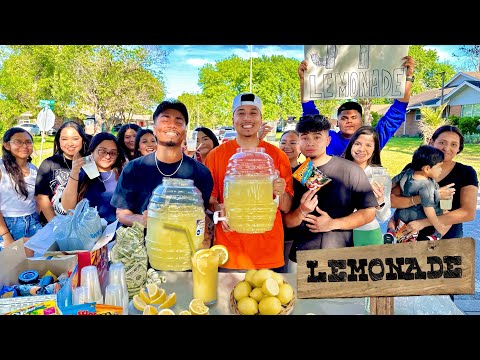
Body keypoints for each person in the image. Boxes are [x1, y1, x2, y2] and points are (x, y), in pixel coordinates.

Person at [204, 92, 293, 271]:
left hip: (269, 254)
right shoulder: (216, 155)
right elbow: (211, 201)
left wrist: (280, 190)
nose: (247, 118)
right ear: (233, 118)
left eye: (253, 113)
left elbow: (286, 207)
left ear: (261, 119)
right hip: (230, 254)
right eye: (241, 112)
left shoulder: (277, 156)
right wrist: (219, 208)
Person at [284, 114, 377, 272]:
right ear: (299, 142)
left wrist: (332, 224)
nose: (310, 142)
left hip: (339, 259)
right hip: (300, 258)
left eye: (317, 137)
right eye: (305, 137)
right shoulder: (294, 173)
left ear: (328, 140)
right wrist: (301, 211)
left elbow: (369, 212)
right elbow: (288, 222)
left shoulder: (350, 170)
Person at [110, 100, 213, 227]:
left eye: (178, 121)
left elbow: (200, 215)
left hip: (185, 243)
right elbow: (122, 213)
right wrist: (143, 220)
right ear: (154, 129)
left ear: (185, 132)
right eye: (165, 120)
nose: (172, 125)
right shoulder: (134, 169)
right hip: (144, 244)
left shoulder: (201, 172)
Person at [297, 56, 415, 155]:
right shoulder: (328, 138)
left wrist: (408, 78)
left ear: (361, 121)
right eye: (344, 118)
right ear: (337, 122)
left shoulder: (372, 139)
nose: (349, 121)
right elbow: (310, 117)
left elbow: (395, 115)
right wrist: (304, 81)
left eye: (354, 117)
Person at [391, 125, 478, 241]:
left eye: (454, 144)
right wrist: (430, 196)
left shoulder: (466, 172)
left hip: (446, 239)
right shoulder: (414, 168)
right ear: (432, 142)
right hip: (408, 235)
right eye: (442, 142)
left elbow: (468, 212)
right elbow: (392, 201)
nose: (446, 148)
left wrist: (422, 223)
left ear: (459, 148)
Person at [387, 145, 449, 242]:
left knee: (393, 220)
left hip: (401, 214)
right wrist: (438, 224)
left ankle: (391, 232)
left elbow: (392, 183)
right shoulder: (427, 185)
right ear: (427, 169)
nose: (441, 170)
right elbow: (429, 209)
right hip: (417, 216)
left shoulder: (407, 173)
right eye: (439, 167)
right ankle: (435, 236)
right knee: (447, 217)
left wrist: (383, 191)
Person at [61, 132, 126, 224]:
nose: (107, 156)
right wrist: (74, 172)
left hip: (115, 232)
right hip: (86, 232)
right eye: (102, 151)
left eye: (113, 153)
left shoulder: (122, 175)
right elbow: (67, 207)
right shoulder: (81, 174)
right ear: (92, 151)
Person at [342, 125, 392, 245]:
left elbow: (383, 217)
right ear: (351, 145)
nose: (362, 149)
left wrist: (380, 201)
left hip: (368, 234)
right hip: (339, 232)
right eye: (358, 143)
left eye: (368, 145)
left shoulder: (380, 175)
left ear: (374, 149)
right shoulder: (337, 169)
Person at [35, 121, 90, 223]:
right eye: (64, 139)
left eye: (75, 139)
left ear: (82, 140)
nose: (70, 143)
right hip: (54, 221)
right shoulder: (49, 163)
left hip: (83, 223)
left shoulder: (89, 162)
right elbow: (42, 197)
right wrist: (55, 224)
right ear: (58, 141)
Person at [0, 128, 42, 250]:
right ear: (7, 145)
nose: (24, 145)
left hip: (33, 222)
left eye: (28, 142)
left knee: (37, 263)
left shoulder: (34, 169)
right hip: (8, 225)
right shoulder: (1, 167)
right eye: (18, 142)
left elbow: (37, 199)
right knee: (11, 266)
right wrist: (6, 236)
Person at [278, 129, 302, 272]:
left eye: (293, 143)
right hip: (272, 233)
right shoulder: (272, 168)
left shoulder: (307, 170)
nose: (287, 146)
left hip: (295, 235)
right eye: (283, 142)